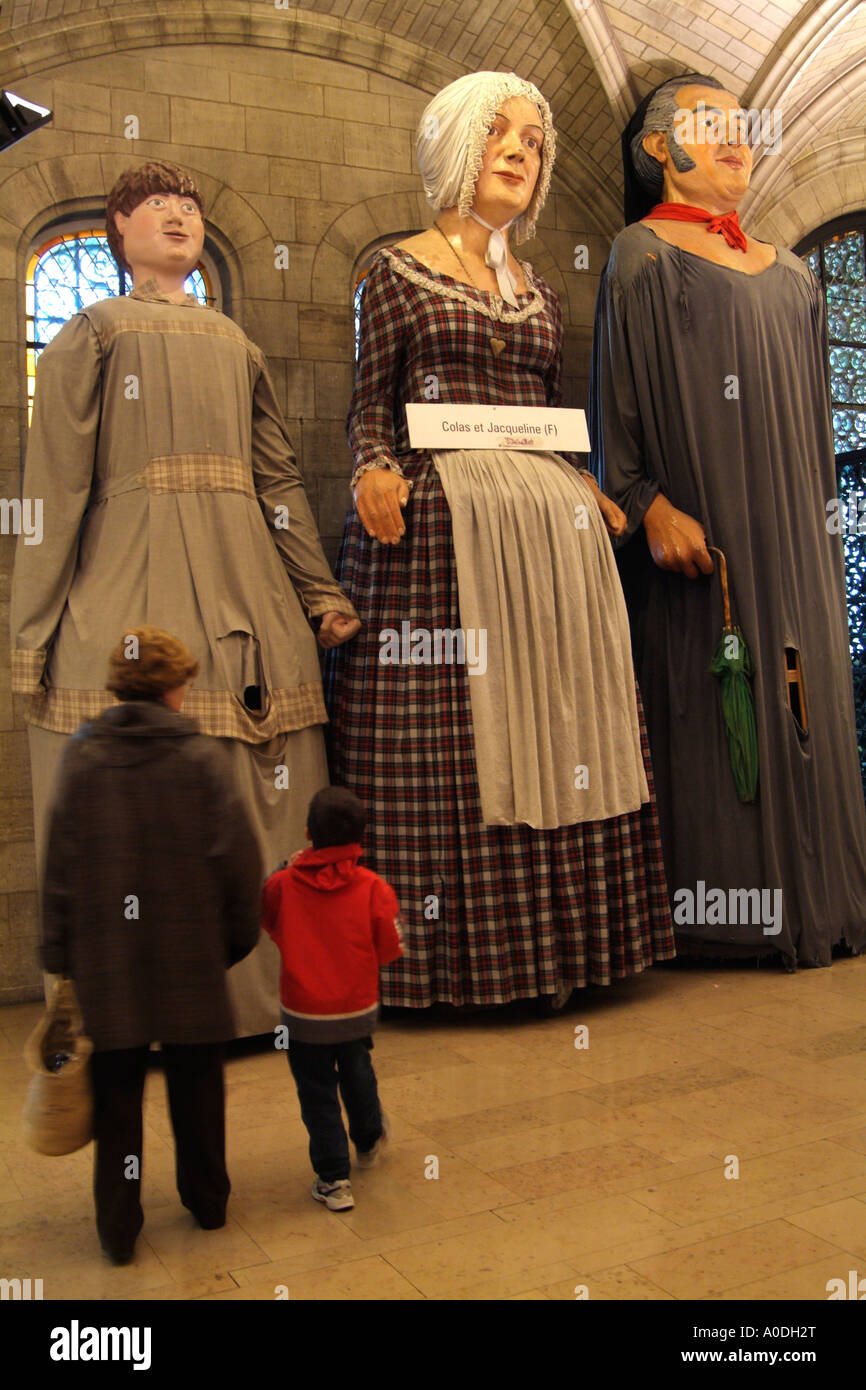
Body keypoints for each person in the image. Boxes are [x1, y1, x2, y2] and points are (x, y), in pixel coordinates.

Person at [326, 71, 675, 1010]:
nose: (522, 151)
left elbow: (549, 418)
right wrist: (372, 470)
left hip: (548, 537)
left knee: (563, 720)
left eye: (534, 140)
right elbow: (368, 411)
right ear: (454, 146)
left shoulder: (544, 294)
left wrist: (587, 485)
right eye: (500, 135)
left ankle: (565, 953)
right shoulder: (394, 273)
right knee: (465, 738)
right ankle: (459, 969)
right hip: (443, 534)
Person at [10, 161, 360, 1034]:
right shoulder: (91, 333)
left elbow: (276, 478)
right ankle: (146, 1007)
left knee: (261, 774)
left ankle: (268, 996)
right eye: (154, 205)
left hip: (247, 576)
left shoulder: (237, 344)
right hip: (132, 571)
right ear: (117, 231)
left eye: (191, 207)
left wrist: (319, 593)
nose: (177, 215)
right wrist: (32, 635)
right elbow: (53, 492)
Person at [589, 73, 866, 964]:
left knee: (809, 699)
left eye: (741, 123)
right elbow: (615, 408)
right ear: (660, 149)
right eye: (709, 124)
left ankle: (829, 900)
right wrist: (646, 501)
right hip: (703, 534)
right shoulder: (641, 254)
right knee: (728, 698)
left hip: (797, 531)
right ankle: (731, 916)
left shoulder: (792, 272)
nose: (735, 137)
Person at [40, 627, 262, 1264]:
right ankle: (208, 1201)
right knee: (198, 1091)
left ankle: (118, 1227)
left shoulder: (82, 759)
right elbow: (238, 865)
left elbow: (61, 865)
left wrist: (60, 957)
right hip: (188, 959)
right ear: (172, 686)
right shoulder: (201, 760)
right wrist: (229, 944)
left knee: (117, 1102)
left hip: (109, 967)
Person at [261, 786, 403, 1211]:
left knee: (316, 1091)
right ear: (362, 838)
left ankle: (333, 1179)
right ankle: (368, 1139)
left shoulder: (282, 884)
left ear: (308, 832)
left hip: (303, 1013)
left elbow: (268, 922)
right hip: (356, 1008)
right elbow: (389, 949)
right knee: (359, 1073)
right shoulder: (374, 887)